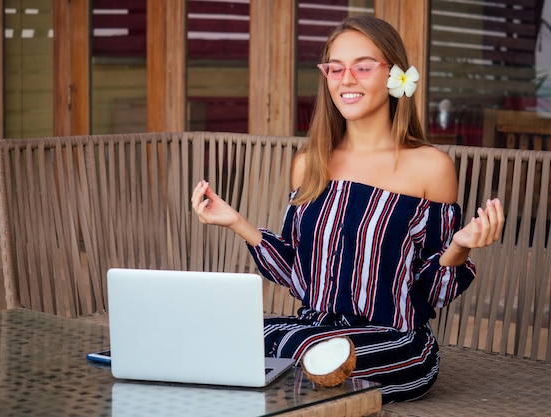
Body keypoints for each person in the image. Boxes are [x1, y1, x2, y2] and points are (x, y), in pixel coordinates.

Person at [191, 15, 504, 403]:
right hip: (313, 331)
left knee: (302, 359)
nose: (347, 79)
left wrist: (459, 246)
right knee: (217, 338)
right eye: (335, 68)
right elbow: (300, 274)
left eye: (363, 66)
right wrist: (236, 223)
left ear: (395, 75)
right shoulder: (310, 162)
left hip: (394, 341)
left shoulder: (430, 167)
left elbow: (428, 292)